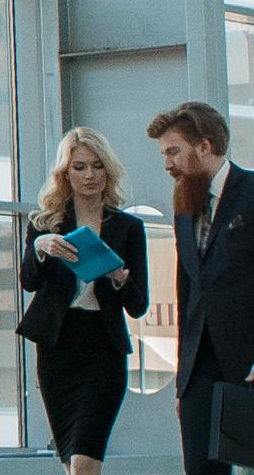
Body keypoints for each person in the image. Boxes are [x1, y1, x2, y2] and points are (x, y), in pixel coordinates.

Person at [154, 102, 254, 475]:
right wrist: (184, 382)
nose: (167, 164)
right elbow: (187, 295)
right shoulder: (184, 207)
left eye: (173, 151)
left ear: (204, 146)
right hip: (201, 367)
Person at [21, 128, 150, 475]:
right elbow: (29, 281)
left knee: (84, 463)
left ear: (108, 170)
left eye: (97, 166)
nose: (90, 175)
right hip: (57, 348)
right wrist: (41, 248)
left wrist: (120, 280)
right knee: (70, 464)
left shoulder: (128, 228)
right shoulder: (45, 223)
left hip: (103, 349)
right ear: (65, 173)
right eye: (79, 167)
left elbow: (139, 306)